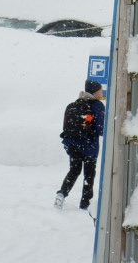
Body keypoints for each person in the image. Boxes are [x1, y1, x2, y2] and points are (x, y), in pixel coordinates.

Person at [54, 80, 106, 211]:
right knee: (89, 175)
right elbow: (101, 130)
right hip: (89, 147)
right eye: (100, 90)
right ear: (95, 92)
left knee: (74, 170)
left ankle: (61, 194)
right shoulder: (98, 106)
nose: (102, 92)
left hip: (72, 145)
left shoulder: (74, 104)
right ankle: (85, 204)